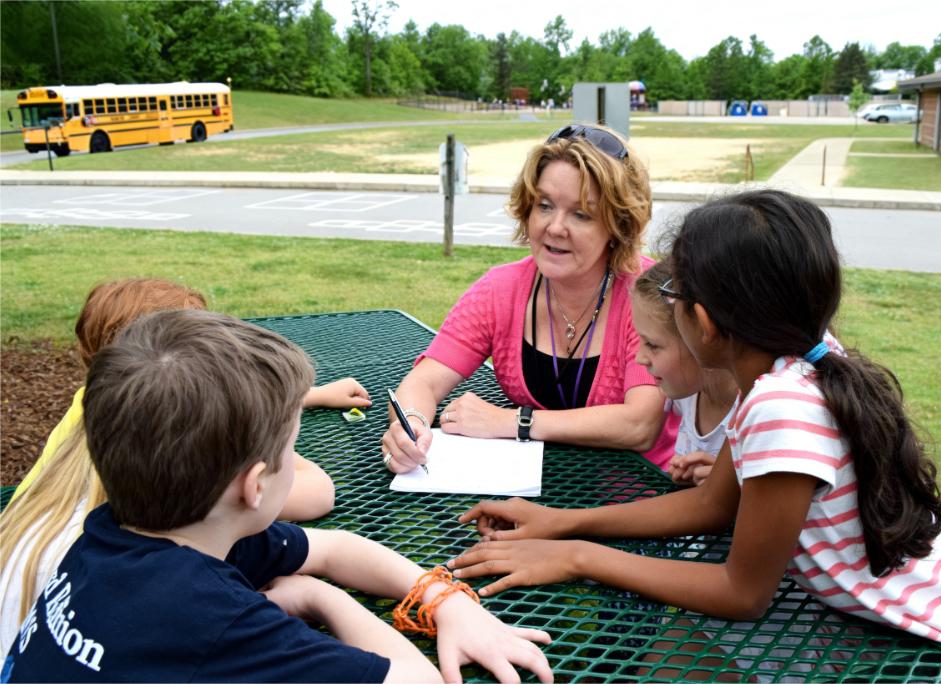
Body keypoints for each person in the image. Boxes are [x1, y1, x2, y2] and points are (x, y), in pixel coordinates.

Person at [446, 190, 941, 675]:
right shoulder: (792, 365)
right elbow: (712, 505)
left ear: (705, 323)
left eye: (674, 296)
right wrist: (564, 524)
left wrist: (577, 557)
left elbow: (742, 593)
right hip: (901, 636)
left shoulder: (783, 406)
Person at [2, 309, 553, 682]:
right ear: (255, 484)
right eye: (294, 448)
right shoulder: (214, 622)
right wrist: (321, 597)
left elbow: (334, 547)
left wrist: (445, 599)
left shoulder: (126, 530)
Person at [0, 278, 367, 657]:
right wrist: (268, 431)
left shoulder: (96, 417)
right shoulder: (170, 467)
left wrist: (299, 399)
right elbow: (319, 494)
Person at [382, 124, 677, 474]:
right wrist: (410, 424)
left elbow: (640, 425)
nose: (554, 228)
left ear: (618, 226)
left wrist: (515, 422)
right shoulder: (501, 290)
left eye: (581, 214)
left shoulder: (646, 293)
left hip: (639, 494)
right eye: (545, 206)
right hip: (535, 490)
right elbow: (423, 381)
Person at [630, 260, 736, 486]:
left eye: (652, 344)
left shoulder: (754, 412)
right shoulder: (686, 390)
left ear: (700, 338)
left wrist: (730, 487)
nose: (639, 357)